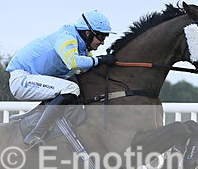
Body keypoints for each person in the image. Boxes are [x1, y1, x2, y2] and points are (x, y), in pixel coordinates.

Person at [6, 10, 116, 147]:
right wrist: (99, 60)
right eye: (101, 37)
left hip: (34, 78)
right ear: (88, 33)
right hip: (21, 80)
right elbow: (74, 62)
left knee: (76, 83)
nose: (102, 42)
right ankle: (35, 135)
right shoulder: (67, 37)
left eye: (105, 37)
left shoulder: (82, 48)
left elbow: (87, 69)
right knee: (71, 88)